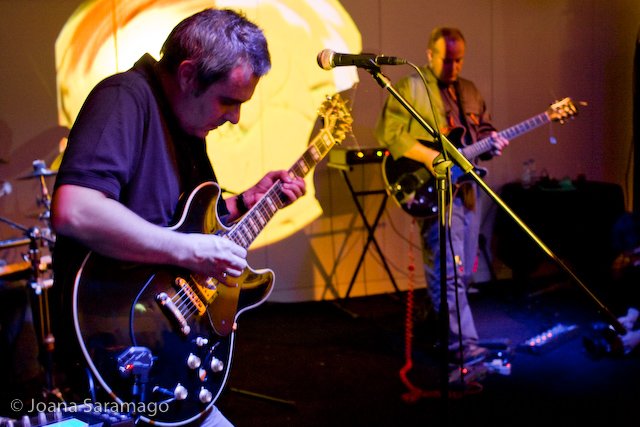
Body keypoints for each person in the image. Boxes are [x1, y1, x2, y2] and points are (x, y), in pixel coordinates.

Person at [50, 8, 305, 427]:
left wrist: (243, 204)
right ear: (188, 75)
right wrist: (190, 250)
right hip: (114, 341)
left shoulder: (184, 125)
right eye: (228, 100)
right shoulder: (124, 98)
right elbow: (75, 209)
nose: (235, 117)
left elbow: (175, 221)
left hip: (160, 346)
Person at [375, 27, 509, 367]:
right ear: (430, 54)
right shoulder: (411, 87)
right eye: (448, 60)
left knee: (464, 271)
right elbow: (390, 134)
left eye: (459, 60)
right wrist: (431, 157)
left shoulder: (470, 91)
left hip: (468, 192)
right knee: (446, 271)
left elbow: (483, 132)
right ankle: (460, 345)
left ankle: (450, 333)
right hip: (435, 191)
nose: (454, 67)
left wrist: (493, 142)